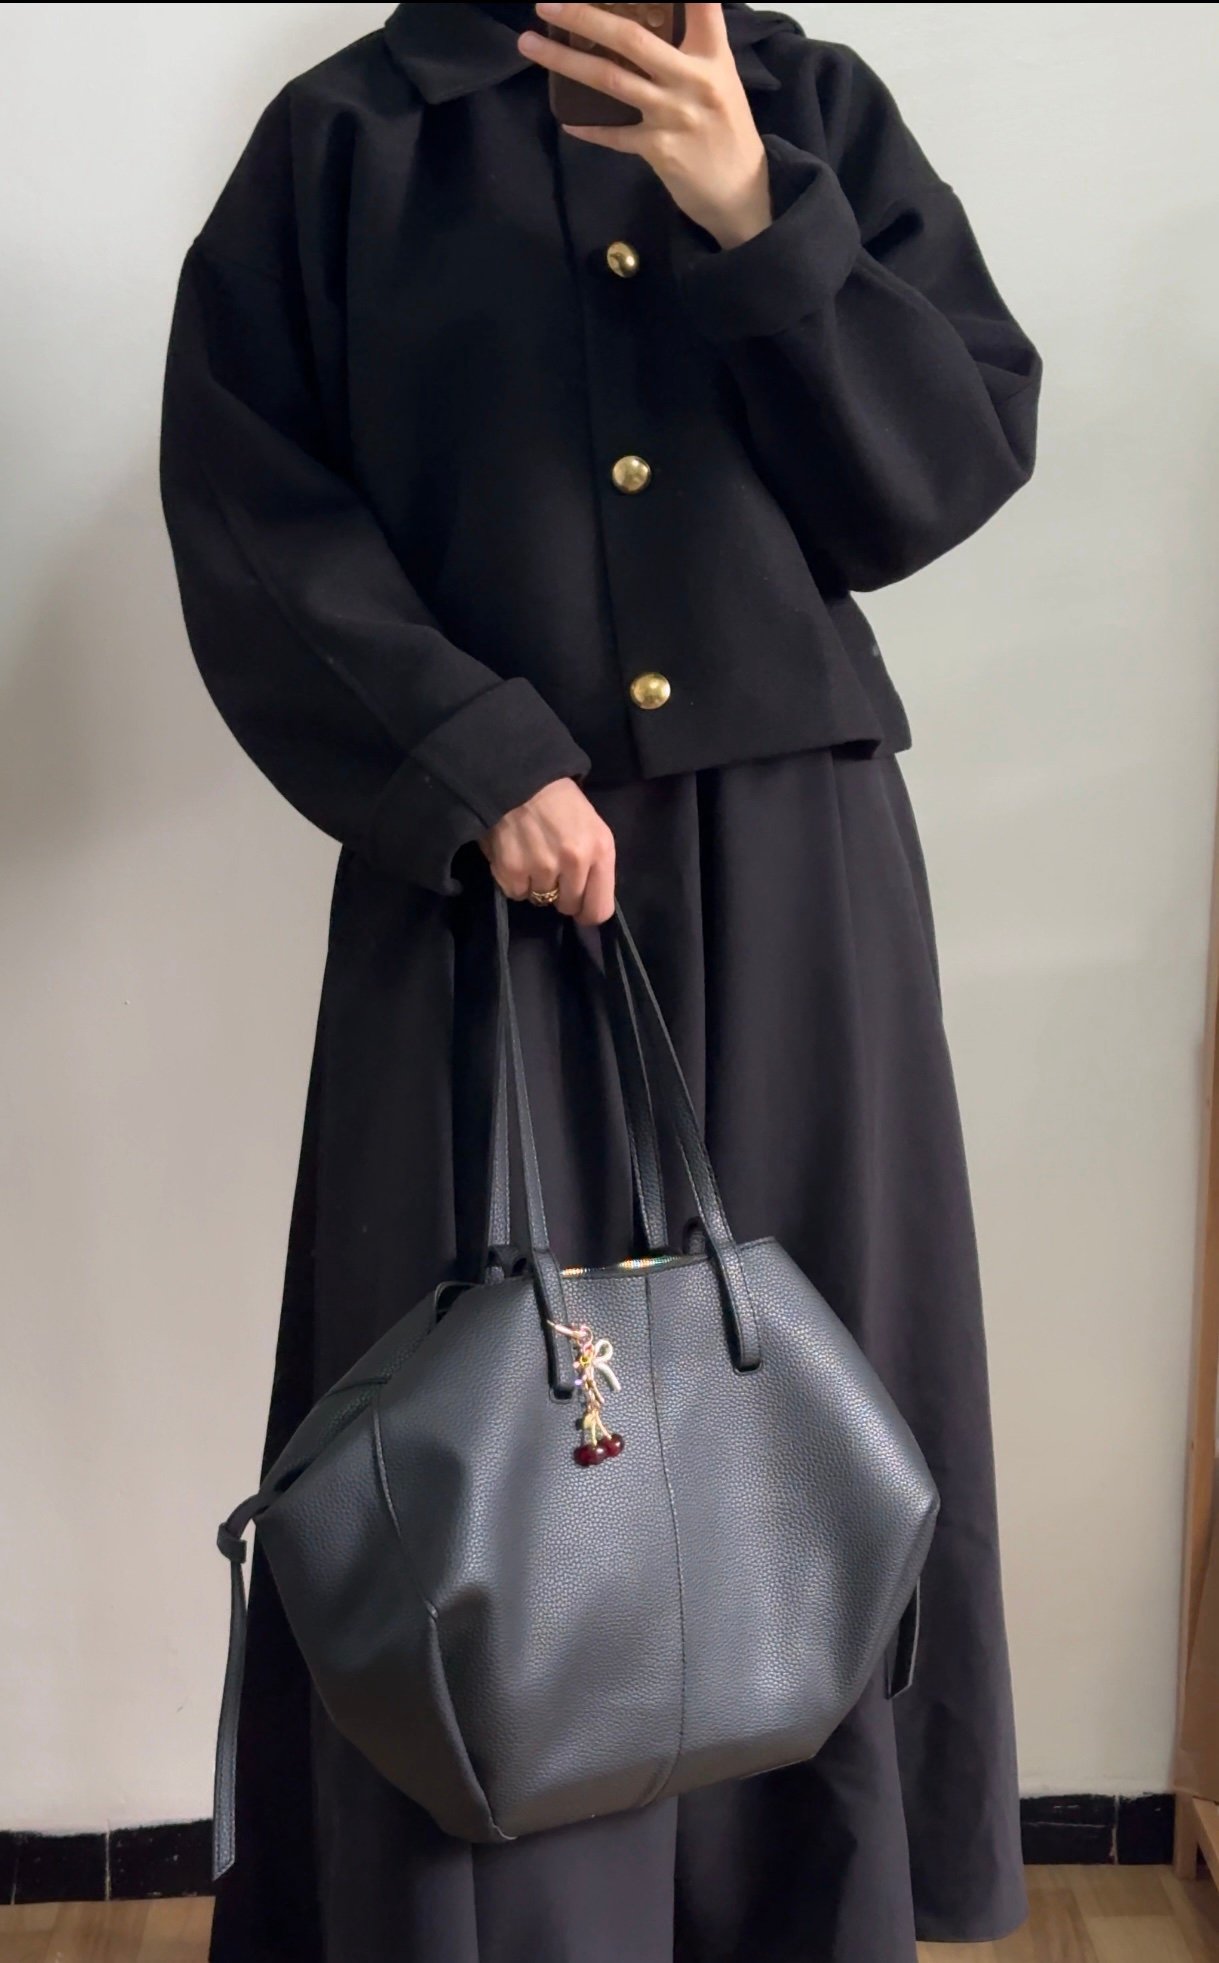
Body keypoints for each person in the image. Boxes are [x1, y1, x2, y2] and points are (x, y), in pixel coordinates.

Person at [159, 4, 1041, 1958]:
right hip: (483, 886)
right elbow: (250, 505)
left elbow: (939, 473)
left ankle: (809, 1912)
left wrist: (758, 219)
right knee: (479, 1432)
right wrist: (472, 758)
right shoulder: (348, 145)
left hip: (797, 872)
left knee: (803, 1398)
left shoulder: (805, 107)